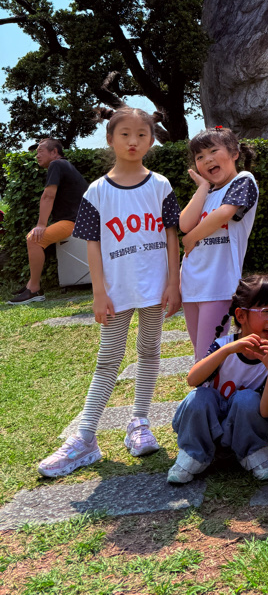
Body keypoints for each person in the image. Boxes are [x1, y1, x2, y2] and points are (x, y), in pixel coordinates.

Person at [38, 107, 182, 477]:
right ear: (110, 139)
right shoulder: (97, 191)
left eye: (142, 134)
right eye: (125, 134)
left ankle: (139, 423)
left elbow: (171, 235)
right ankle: (86, 437)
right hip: (116, 291)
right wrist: (98, 292)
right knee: (108, 359)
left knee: (149, 350)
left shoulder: (161, 185)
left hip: (154, 288)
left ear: (151, 140)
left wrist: (173, 282)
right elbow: (93, 244)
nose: (133, 141)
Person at [168, 274, 268, 484]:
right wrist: (226, 350)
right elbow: (192, 379)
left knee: (247, 399)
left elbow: (267, 411)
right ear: (241, 315)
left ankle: (254, 454)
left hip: (244, 431)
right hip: (210, 430)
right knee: (199, 397)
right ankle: (193, 455)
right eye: (265, 311)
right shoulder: (223, 346)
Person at [179, 127, 259, 359]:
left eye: (213, 151)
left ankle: (210, 384)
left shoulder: (243, 180)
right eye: (200, 156)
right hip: (191, 283)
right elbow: (184, 224)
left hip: (218, 284)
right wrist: (203, 188)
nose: (207, 159)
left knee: (208, 355)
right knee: (200, 352)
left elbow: (225, 213)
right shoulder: (206, 194)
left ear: (234, 153)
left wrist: (191, 238)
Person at [9, 137, 88, 304]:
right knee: (34, 238)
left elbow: (48, 196)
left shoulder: (56, 164)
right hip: (78, 220)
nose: (37, 155)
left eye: (40, 151)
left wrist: (41, 225)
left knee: (34, 239)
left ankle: (34, 290)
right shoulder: (64, 165)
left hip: (74, 222)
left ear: (54, 152)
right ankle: (31, 284)